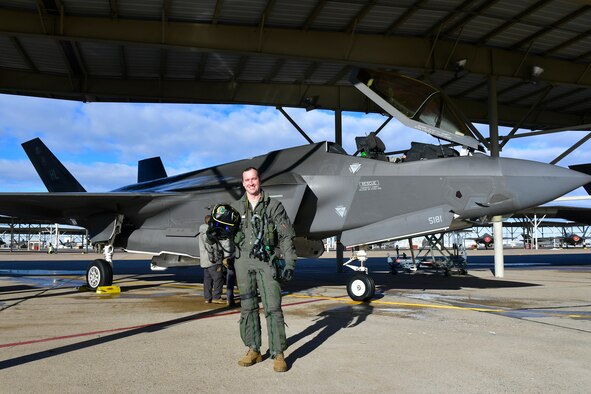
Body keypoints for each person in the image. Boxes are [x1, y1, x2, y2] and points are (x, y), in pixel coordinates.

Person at [231, 167, 297, 373]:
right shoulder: (235, 208)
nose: (251, 183)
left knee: (273, 307)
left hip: (267, 262)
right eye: (247, 180)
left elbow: (286, 236)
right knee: (248, 308)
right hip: (243, 262)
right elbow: (225, 236)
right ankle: (253, 349)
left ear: (259, 180)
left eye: (254, 179)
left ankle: (278, 353)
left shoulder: (274, 206)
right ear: (243, 184)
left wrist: (289, 262)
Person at [198, 215, 225, 304]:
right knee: (218, 278)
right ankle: (216, 297)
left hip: (205, 261)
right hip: (212, 261)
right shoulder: (208, 233)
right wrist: (215, 257)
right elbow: (210, 247)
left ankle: (207, 297)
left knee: (207, 280)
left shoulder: (201, 233)